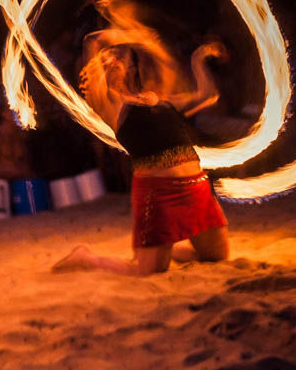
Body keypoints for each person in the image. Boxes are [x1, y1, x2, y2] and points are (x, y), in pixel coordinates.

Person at [54, 37, 230, 275]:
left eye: (116, 57)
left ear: (131, 66)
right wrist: (122, 28)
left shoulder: (156, 98)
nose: (111, 61)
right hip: (159, 194)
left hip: (196, 187)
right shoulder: (109, 104)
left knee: (216, 257)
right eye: (105, 60)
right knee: (147, 271)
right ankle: (86, 258)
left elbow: (207, 95)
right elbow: (91, 41)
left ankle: (165, 249)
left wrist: (198, 59)